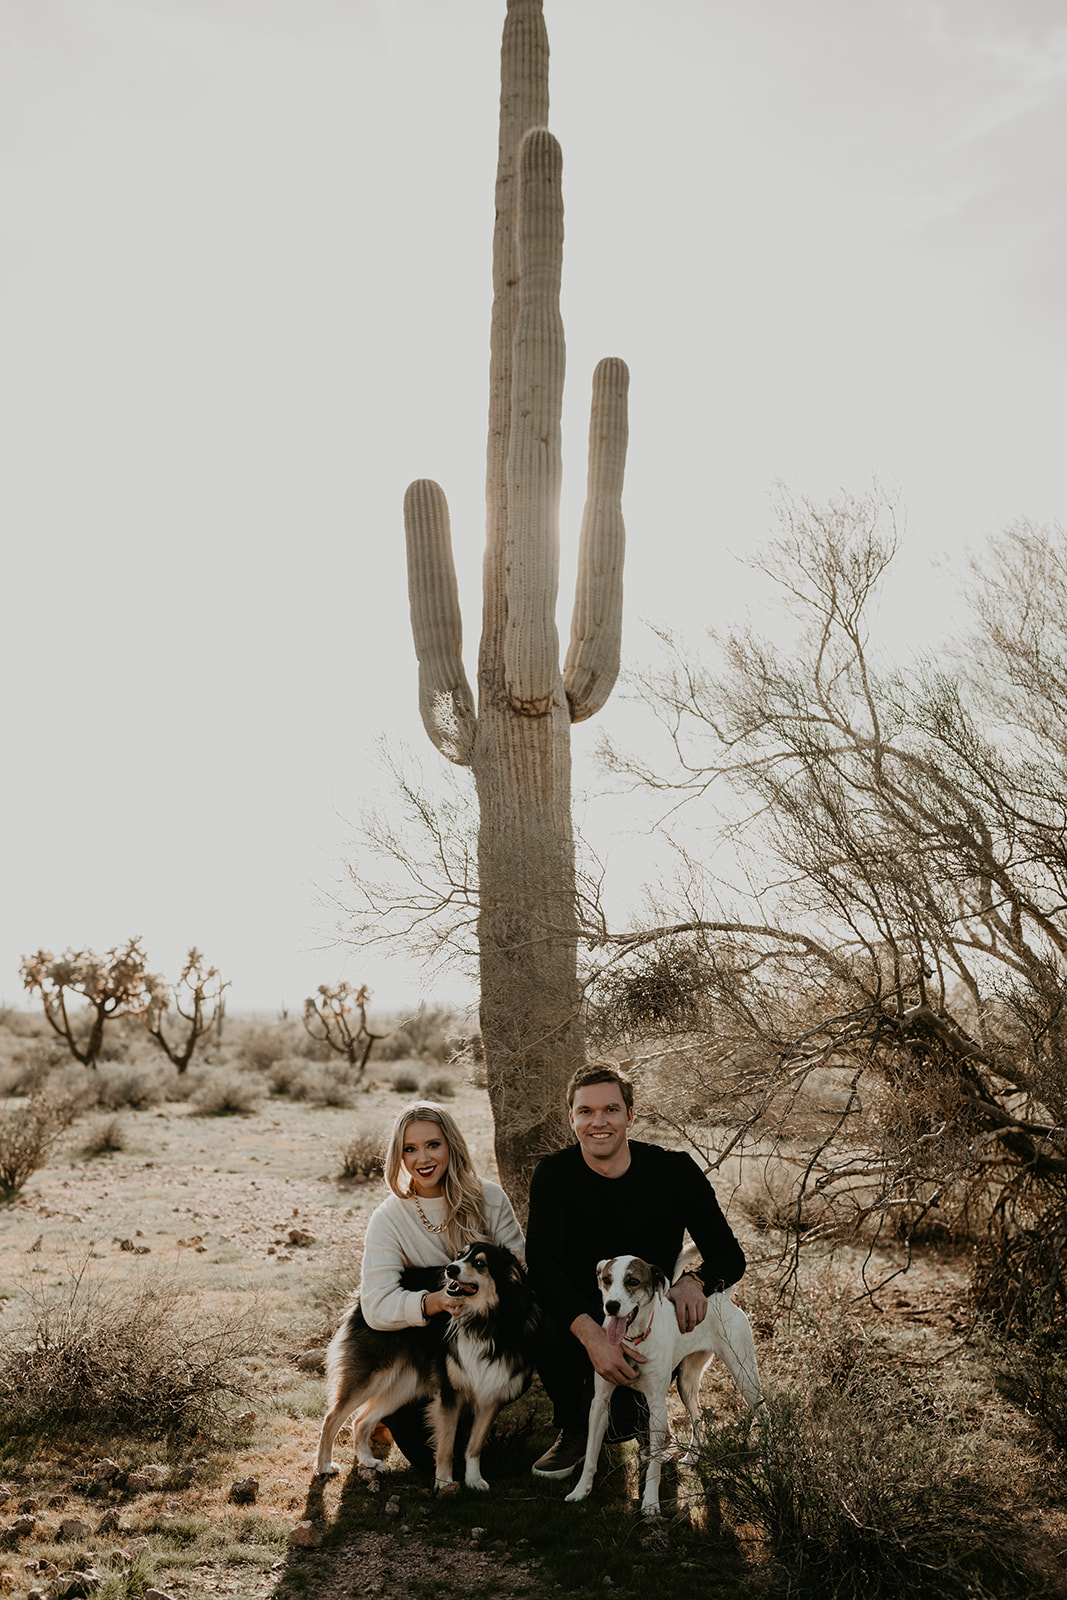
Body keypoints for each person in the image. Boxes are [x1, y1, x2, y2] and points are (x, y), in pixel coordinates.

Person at [525, 1061, 747, 1477]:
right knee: (542, 1316)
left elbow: (729, 1255)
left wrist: (694, 1281)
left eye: (610, 1109)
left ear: (630, 1114)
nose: (599, 1122)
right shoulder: (553, 1175)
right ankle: (574, 1426)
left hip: (650, 1323)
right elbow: (541, 1264)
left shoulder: (675, 1171)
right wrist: (592, 1336)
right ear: (571, 1118)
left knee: (620, 1424)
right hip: (584, 1320)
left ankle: (646, 1418)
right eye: (586, 1112)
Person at [358, 1099, 525, 1470]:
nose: (423, 1159)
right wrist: (434, 1302)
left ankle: (486, 1410)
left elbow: (519, 1271)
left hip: (484, 1343)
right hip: (419, 1351)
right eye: (410, 1149)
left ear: (451, 1145)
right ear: (398, 1157)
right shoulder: (389, 1217)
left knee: (491, 1463)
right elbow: (376, 1305)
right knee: (424, 1457)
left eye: (433, 1145)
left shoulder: (490, 1198)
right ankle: (394, 1419)